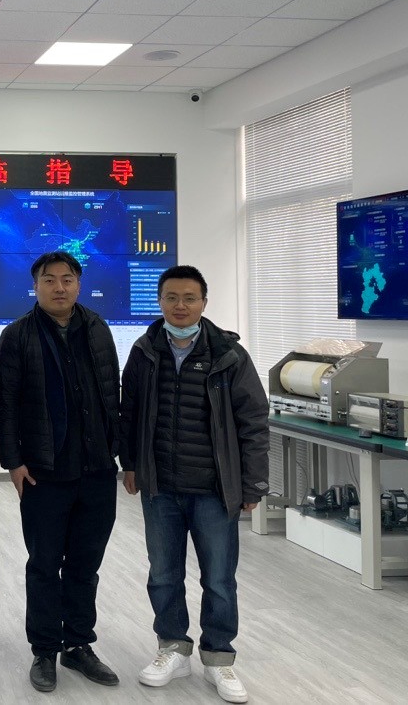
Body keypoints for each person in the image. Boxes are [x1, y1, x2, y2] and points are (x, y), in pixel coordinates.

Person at [119, 265, 269, 704]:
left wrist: (253, 483)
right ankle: (173, 647)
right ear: (160, 301)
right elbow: (129, 414)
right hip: (161, 487)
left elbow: (253, 421)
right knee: (163, 575)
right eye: (171, 297)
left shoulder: (229, 355)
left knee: (219, 578)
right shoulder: (144, 352)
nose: (180, 306)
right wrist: (130, 464)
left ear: (204, 302)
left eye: (189, 298)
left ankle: (219, 657)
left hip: (214, 489)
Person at [0, 251, 122, 692]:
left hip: (97, 468)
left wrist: (119, 452)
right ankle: (45, 650)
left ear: (79, 284)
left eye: (67, 279)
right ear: (36, 286)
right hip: (44, 472)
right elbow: (6, 404)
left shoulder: (97, 328)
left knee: (85, 565)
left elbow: (111, 393)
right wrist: (13, 461)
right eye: (49, 280)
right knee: (45, 565)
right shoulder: (17, 335)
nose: (59, 287)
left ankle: (79, 645)